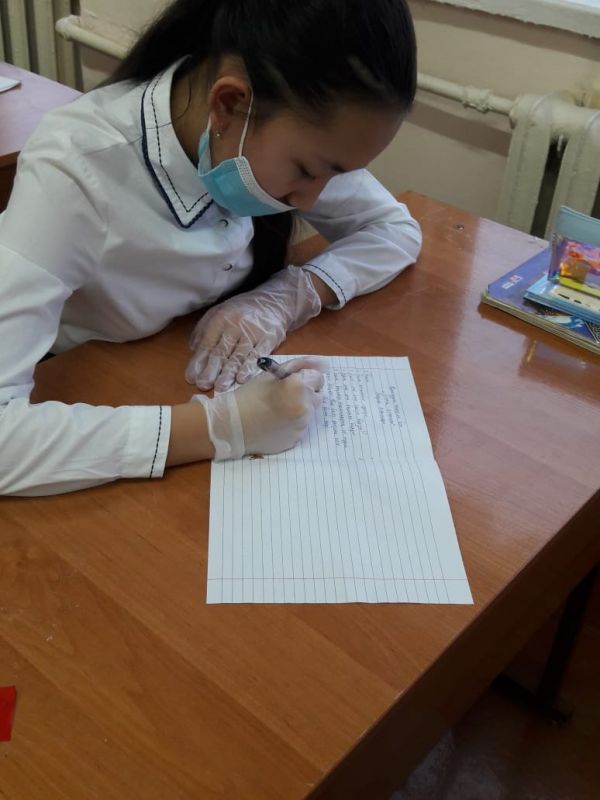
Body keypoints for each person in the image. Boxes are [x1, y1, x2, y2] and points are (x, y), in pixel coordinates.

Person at [0, 0, 422, 496]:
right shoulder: (75, 168)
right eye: (308, 172)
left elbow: (395, 229)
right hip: (83, 387)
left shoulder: (281, 125)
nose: (313, 200)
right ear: (229, 104)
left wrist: (289, 296)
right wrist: (221, 428)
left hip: (162, 367)